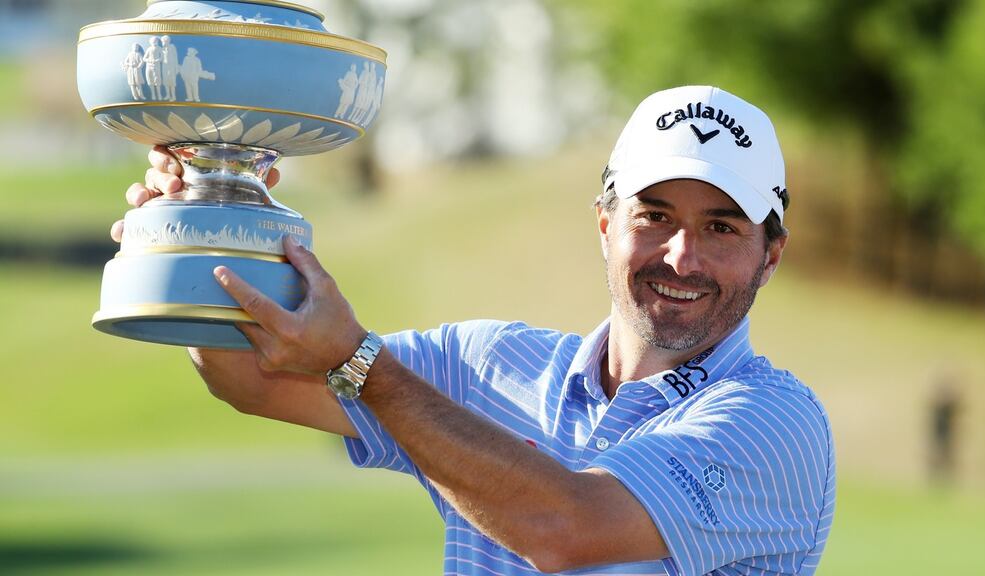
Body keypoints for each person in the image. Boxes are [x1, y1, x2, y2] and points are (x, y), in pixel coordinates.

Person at [115, 86, 835, 575]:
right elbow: (249, 378)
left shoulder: (777, 424)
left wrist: (363, 363)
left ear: (771, 255)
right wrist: (203, 225)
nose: (682, 257)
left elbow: (564, 528)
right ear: (605, 223)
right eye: (655, 217)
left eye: (721, 228)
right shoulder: (489, 364)